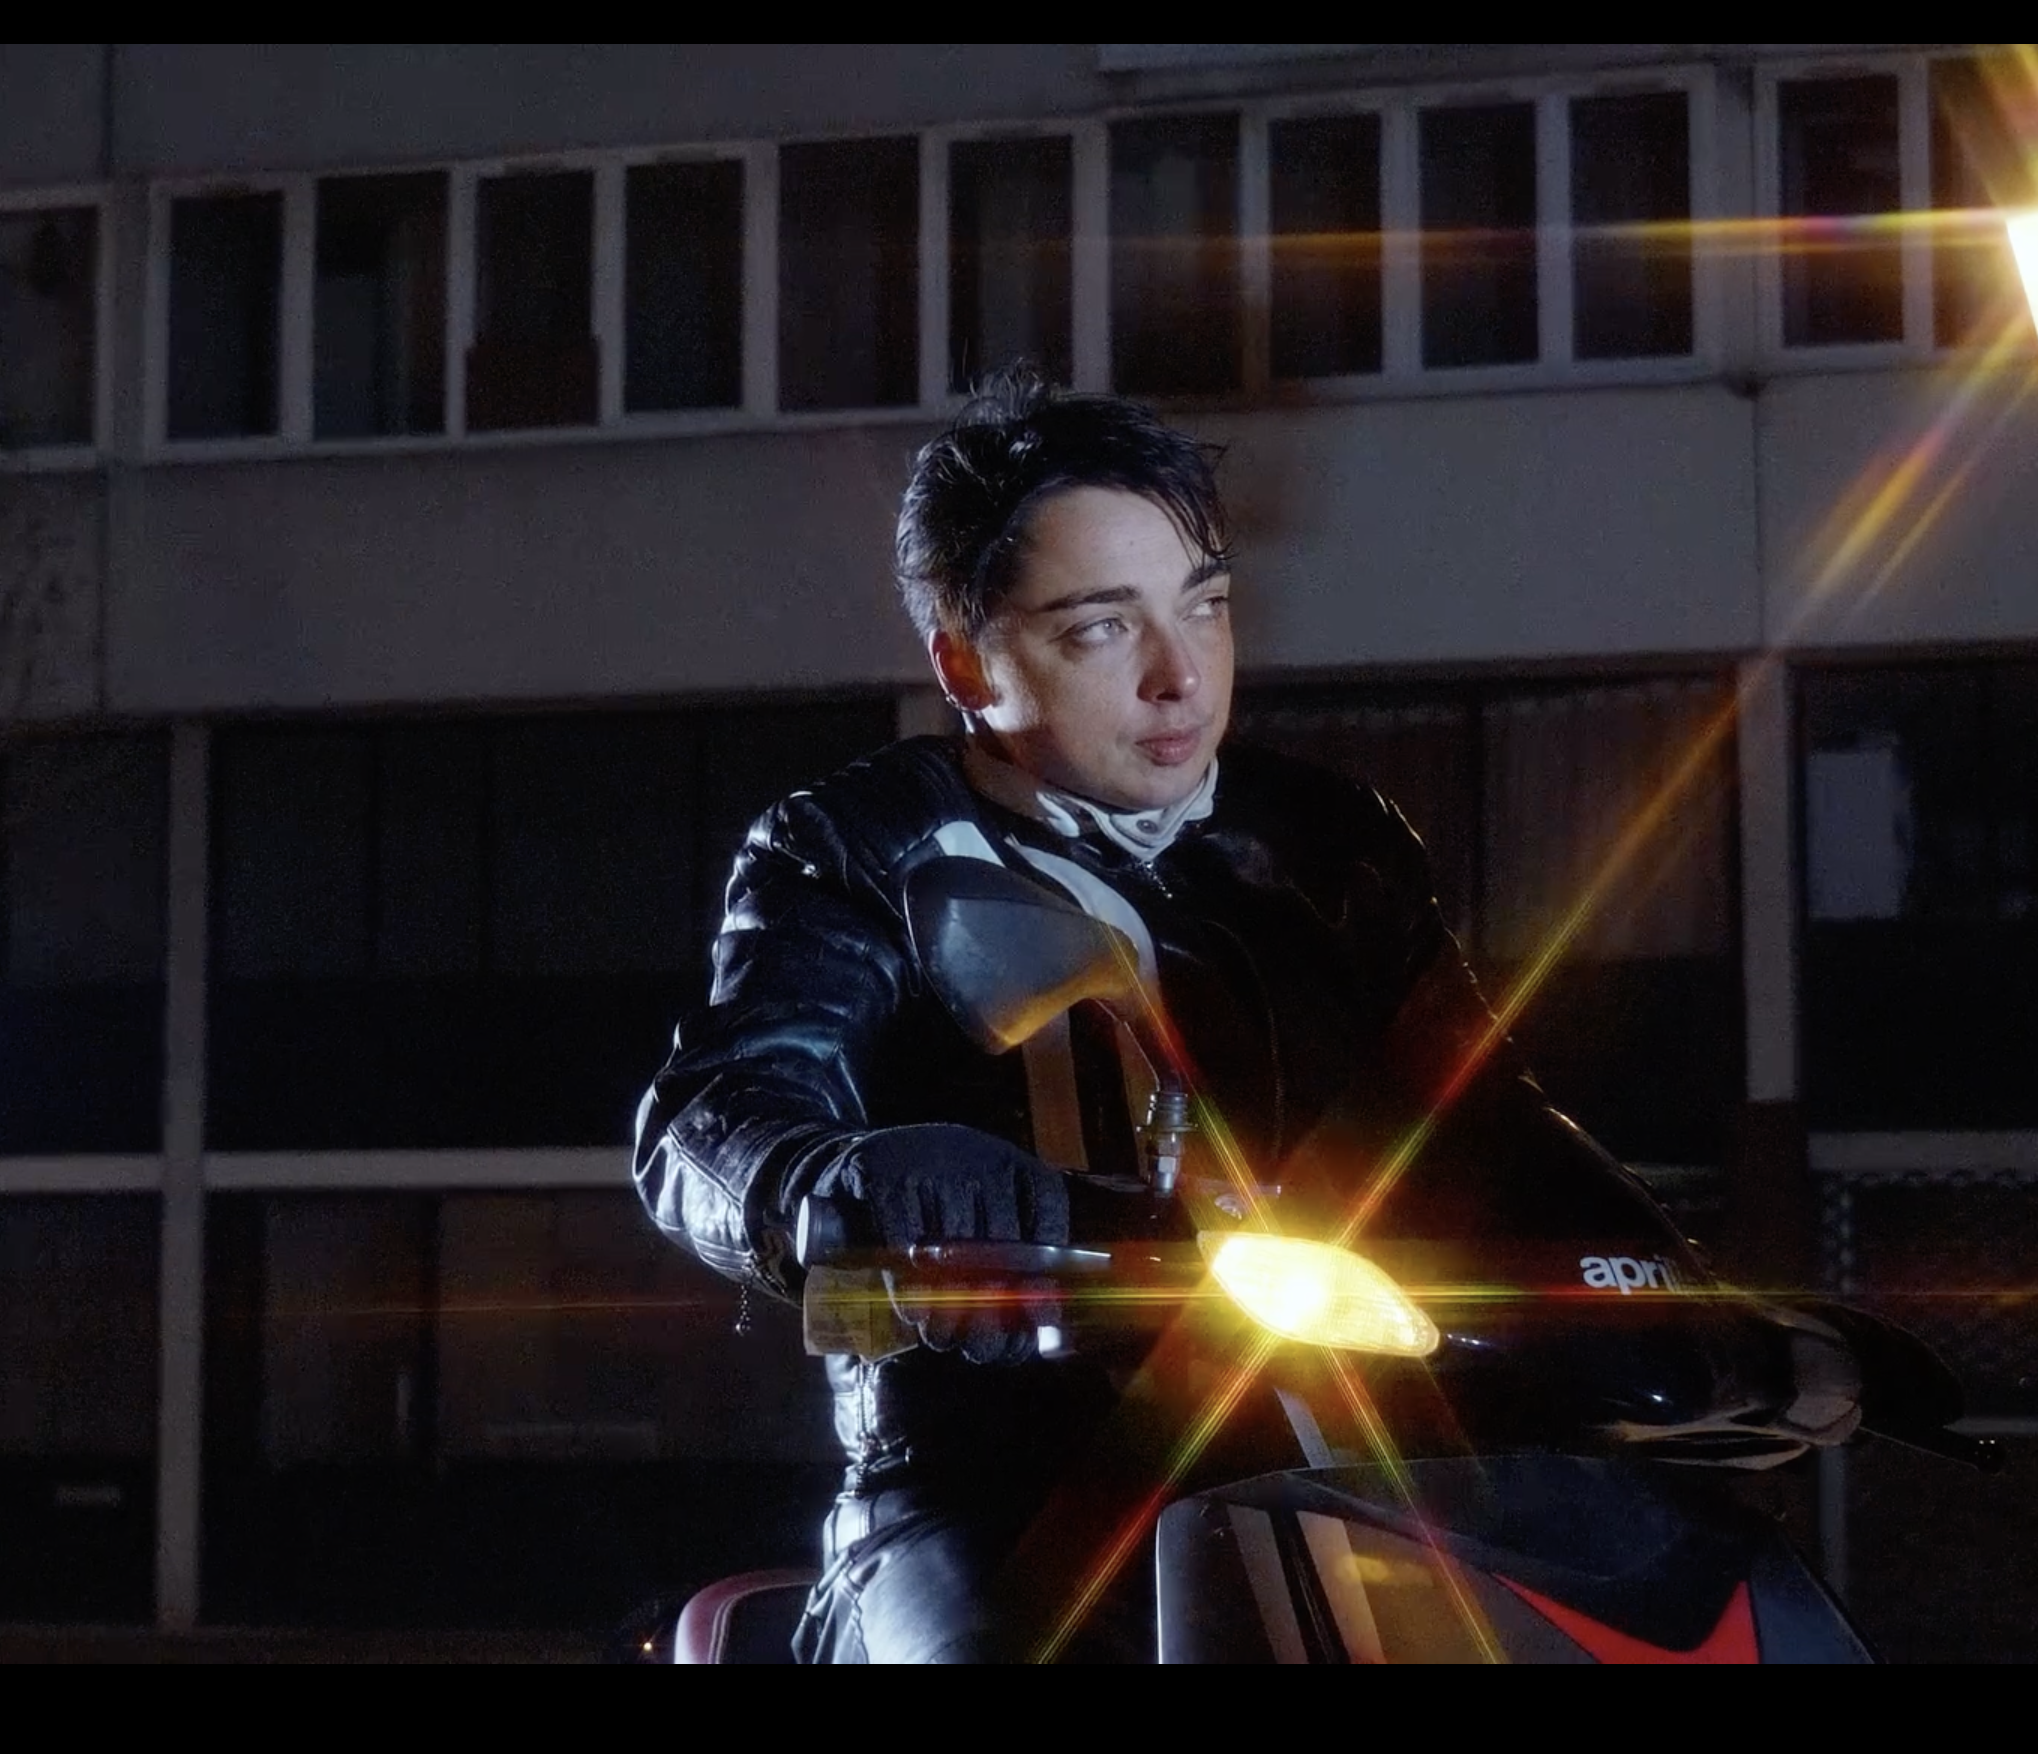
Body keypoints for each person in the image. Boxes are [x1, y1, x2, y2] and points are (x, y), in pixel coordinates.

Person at [632, 368, 1824, 1663]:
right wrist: (845, 1181)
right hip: (995, 1485)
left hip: (1362, 1447)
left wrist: (1682, 1303)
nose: (1179, 672)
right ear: (967, 661)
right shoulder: (855, 847)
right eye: (1102, 629)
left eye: (1204, 605)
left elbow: (1484, 1113)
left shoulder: (1330, 843)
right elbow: (716, 1114)